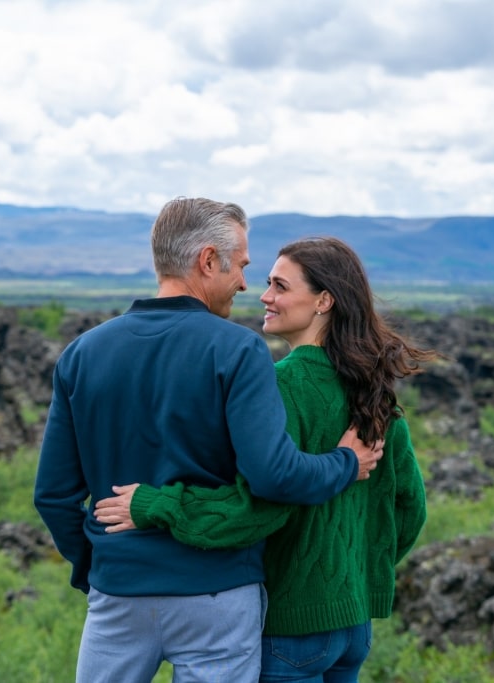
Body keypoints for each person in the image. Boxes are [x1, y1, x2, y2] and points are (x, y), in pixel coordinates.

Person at [34, 200, 384, 683]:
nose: (245, 283)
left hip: (118, 591)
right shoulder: (237, 350)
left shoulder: (82, 354)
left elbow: (52, 495)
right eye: (240, 265)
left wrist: (99, 570)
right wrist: (346, 462)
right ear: (207, 261)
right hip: (219, 595)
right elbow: (273, 475)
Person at [94, 236, 434, 682]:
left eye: (279, 286)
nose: (264, 296)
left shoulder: (280, 386)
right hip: (353, 628)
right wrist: (351, 577)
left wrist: (155, 506)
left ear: (324, 301)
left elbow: (260, 506)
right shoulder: (372, 388)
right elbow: (410, 507)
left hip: (290, 630)